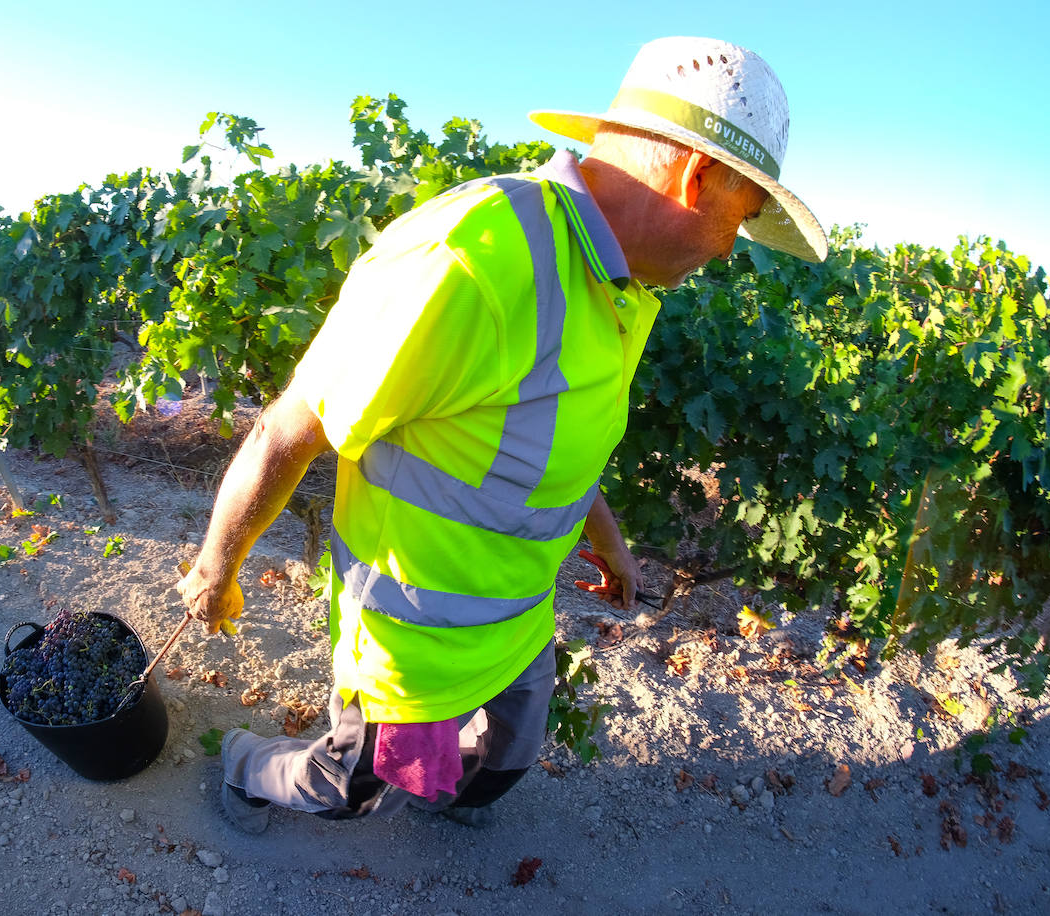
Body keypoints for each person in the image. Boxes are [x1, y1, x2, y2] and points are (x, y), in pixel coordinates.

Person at [176, 36, 828, 833]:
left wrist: (610, 537)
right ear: (696, 179)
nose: (730, 249)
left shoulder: (618, 290)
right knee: (349, 788)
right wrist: (216, 567)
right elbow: (287, 429)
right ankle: (245, 765)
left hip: (517, 623)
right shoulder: (471, 262)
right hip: (416, 647)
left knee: (498, 770)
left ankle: (448, 789)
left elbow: (546, 438)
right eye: (742, 218)